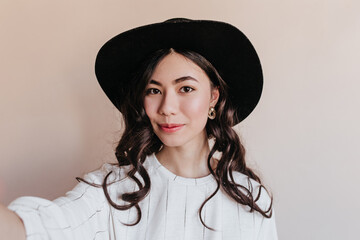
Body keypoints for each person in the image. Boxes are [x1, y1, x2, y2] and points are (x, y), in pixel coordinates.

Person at [0, 18, 278, 239]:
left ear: (213, 97)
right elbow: (43, 227)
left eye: (186, 88)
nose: (167, 107)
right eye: (154, 90)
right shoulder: (111, 190)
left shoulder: (250, 197)